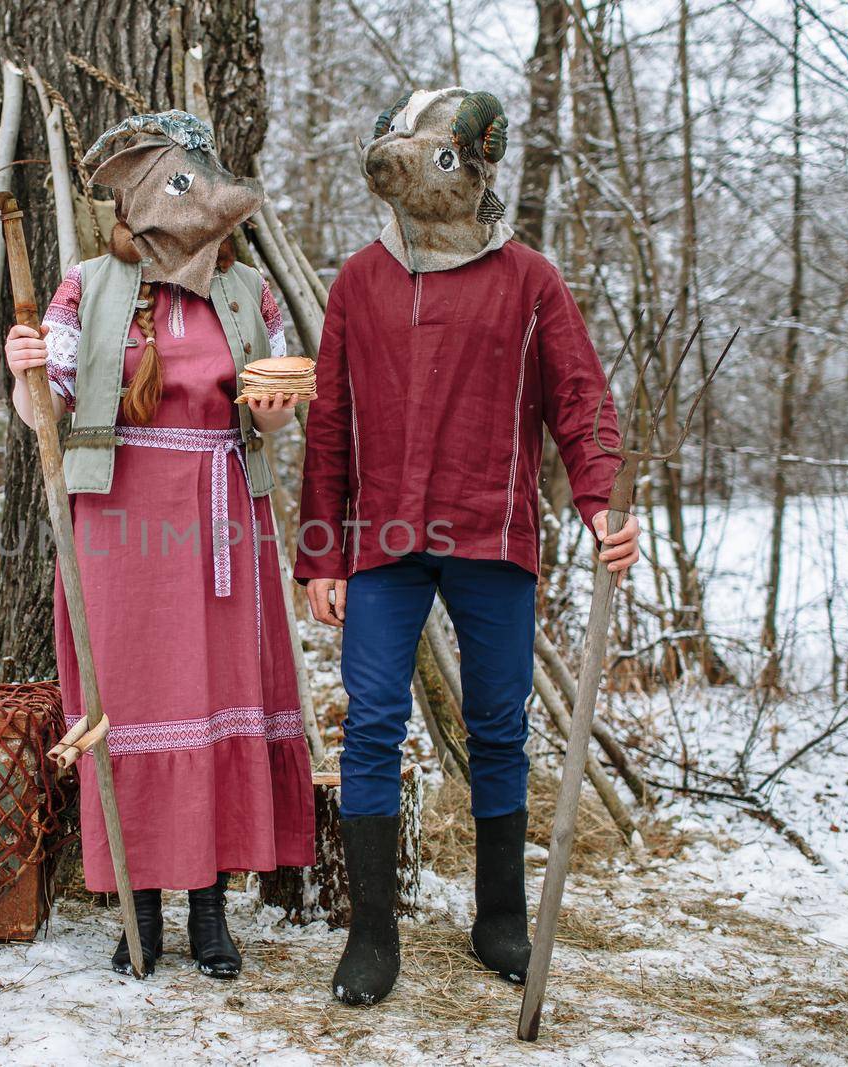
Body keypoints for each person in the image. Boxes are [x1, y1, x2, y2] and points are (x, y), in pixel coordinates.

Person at [294, 87, 642, 1006]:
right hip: (382, 538)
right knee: (370, 723)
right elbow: (329, 420)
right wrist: (322, 551)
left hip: (493, 530)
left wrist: (602, 501)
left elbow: (581, 398)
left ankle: (499, 920)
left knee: (499, 725)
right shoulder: (360, 281)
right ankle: (372, 933)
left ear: (477, 170)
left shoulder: (529, 278)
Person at [4, 111, 315, 978]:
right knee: (131, 701)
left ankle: (211, 912)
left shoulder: (246, 291)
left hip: (221, 516)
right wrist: (26, 364)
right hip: (121, 522)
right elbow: (46, 412)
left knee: (216, 694)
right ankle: (139, 910)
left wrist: (273, 415)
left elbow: (270, 403)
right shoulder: (88, 286)